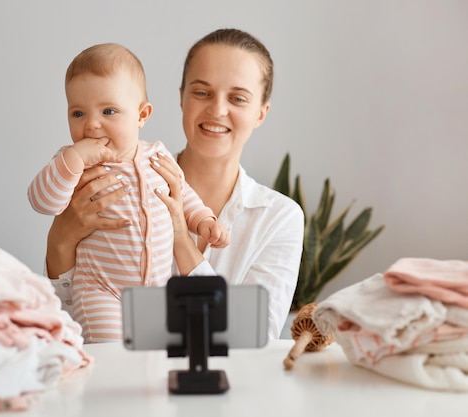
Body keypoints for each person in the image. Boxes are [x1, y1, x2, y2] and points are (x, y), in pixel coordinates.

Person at [45, 28, 305, 340]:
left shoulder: (278, 218)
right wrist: (60, 240)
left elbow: (251, 338)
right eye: (202, 92)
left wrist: (182, 239)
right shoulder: (107, 184)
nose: (217, 110)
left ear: (261, 112)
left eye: (237, 98)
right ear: (181, 97)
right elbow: (65, 318)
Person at [27, 43, 229, 343]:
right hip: (101, 289)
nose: (91, 124)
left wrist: (203, 221)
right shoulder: (72, 163)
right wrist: (73, 160)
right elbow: (43, 202)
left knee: (154, 355)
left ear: (141, 115)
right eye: (78, 113)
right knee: (111, 355)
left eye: (109, 111)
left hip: (158, 290)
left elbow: (183, 195)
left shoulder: (157, 155)